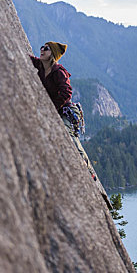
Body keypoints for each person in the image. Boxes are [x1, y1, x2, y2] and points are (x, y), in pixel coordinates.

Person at [29, 42, 97, 181]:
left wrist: (52, 107)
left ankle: (89, 170)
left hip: (67, 110)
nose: (42, 50)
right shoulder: (42, 67)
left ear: (52, 54)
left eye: (46, 48)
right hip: (56, 109)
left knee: (67, 135)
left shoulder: (58, 71)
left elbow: (67, 92)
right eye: (42, 47)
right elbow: (28, 58)